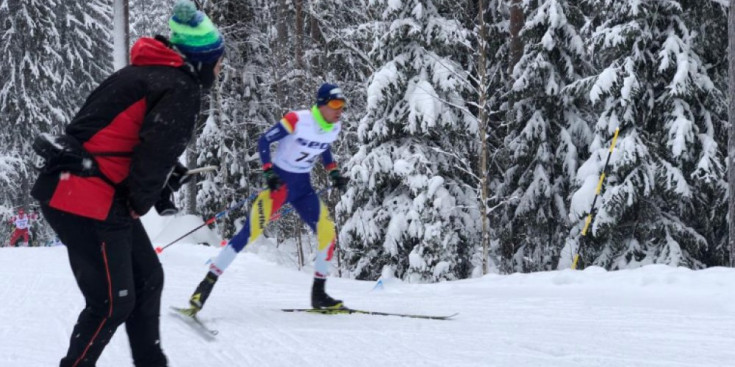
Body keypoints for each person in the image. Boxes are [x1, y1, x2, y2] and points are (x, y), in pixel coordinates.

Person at [30, 1, 224, 366]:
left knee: (147, 278)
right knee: (111, 302)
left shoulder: (144, 74)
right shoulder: (181, 85)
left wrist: (161, 177)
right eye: (217, 59)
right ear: (200, 60)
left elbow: (122, 137)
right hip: (86, 196)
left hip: (81, 188)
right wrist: (142, 198)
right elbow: (155, 153)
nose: (220, 67)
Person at [186, 83, 350, 315]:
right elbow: (264, 140)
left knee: (327, 233)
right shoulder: (297, 119)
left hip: (303, 188)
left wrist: (333, 171)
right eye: (335, 104)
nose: (339, 110)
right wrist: (268, 171)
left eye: (342, 106)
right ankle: (204, 287)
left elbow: (323, 148)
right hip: (280, 185)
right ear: (321, 104)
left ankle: (319, 295)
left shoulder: (334, 126)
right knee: (248, 234)